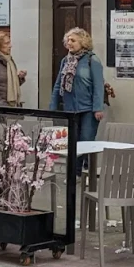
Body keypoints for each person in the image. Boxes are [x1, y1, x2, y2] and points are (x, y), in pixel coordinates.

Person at [49, 28, 104, 170]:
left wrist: (98, 108)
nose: (69, 43)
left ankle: (83, 171)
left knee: (86, 141)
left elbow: (98, 85)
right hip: (70, 109)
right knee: (73, 142)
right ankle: (76, 172)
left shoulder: (92, 60)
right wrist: (52, 107)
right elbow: (57, 85)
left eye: (73, 40)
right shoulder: (65, 61)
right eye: (67, 40)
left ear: (83, 42)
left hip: (88, 110)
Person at [0, 31, 26, 106]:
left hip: (11, 107)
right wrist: (3, 106)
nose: (10, 46)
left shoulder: (9, 61)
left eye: (9, 43)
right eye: (7, 43)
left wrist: (19, 78)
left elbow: (9, 85)